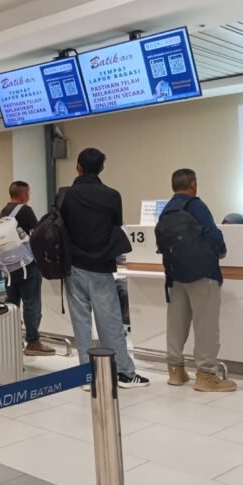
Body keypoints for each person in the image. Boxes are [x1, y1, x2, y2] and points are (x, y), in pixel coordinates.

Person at [60, 148, 149, 388]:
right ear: (101, 168)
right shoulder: (112, 195)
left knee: (81, 323)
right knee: (110, 321)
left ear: (78, 167)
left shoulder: (65, 196)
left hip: (73, 267)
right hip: (101, 266)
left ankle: (87, 375)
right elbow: (115, 225)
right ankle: (124, 373)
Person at [160, 169, 236, 392]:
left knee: (176, 324)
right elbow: (213, 235)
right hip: (203, 274)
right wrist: (221, 251)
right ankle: (205, 375)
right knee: (206, 326)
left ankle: (176, 371)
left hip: (175, 275)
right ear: (193, 184)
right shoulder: (196, 206)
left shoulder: (167, 209)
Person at [0, 181, 54, 356]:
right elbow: (37, 234)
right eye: (28, 193)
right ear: (23, 194)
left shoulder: (4, 211)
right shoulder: (25, 210)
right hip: (26, 264)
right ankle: (33, 341)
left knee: (12, 302)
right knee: (31, 303)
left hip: (9, 266)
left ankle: (10, 338)